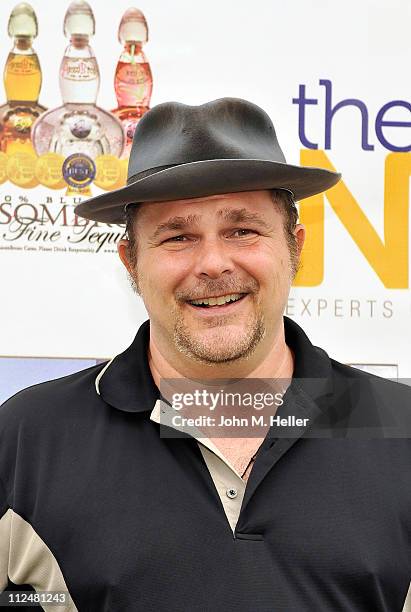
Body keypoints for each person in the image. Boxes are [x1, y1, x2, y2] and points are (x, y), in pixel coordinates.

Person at [0, 98, 410, 612]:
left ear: (294, 247)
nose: (213, 264)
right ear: (131, 262)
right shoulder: (25, 438)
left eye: (242, 230)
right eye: (178, 236)